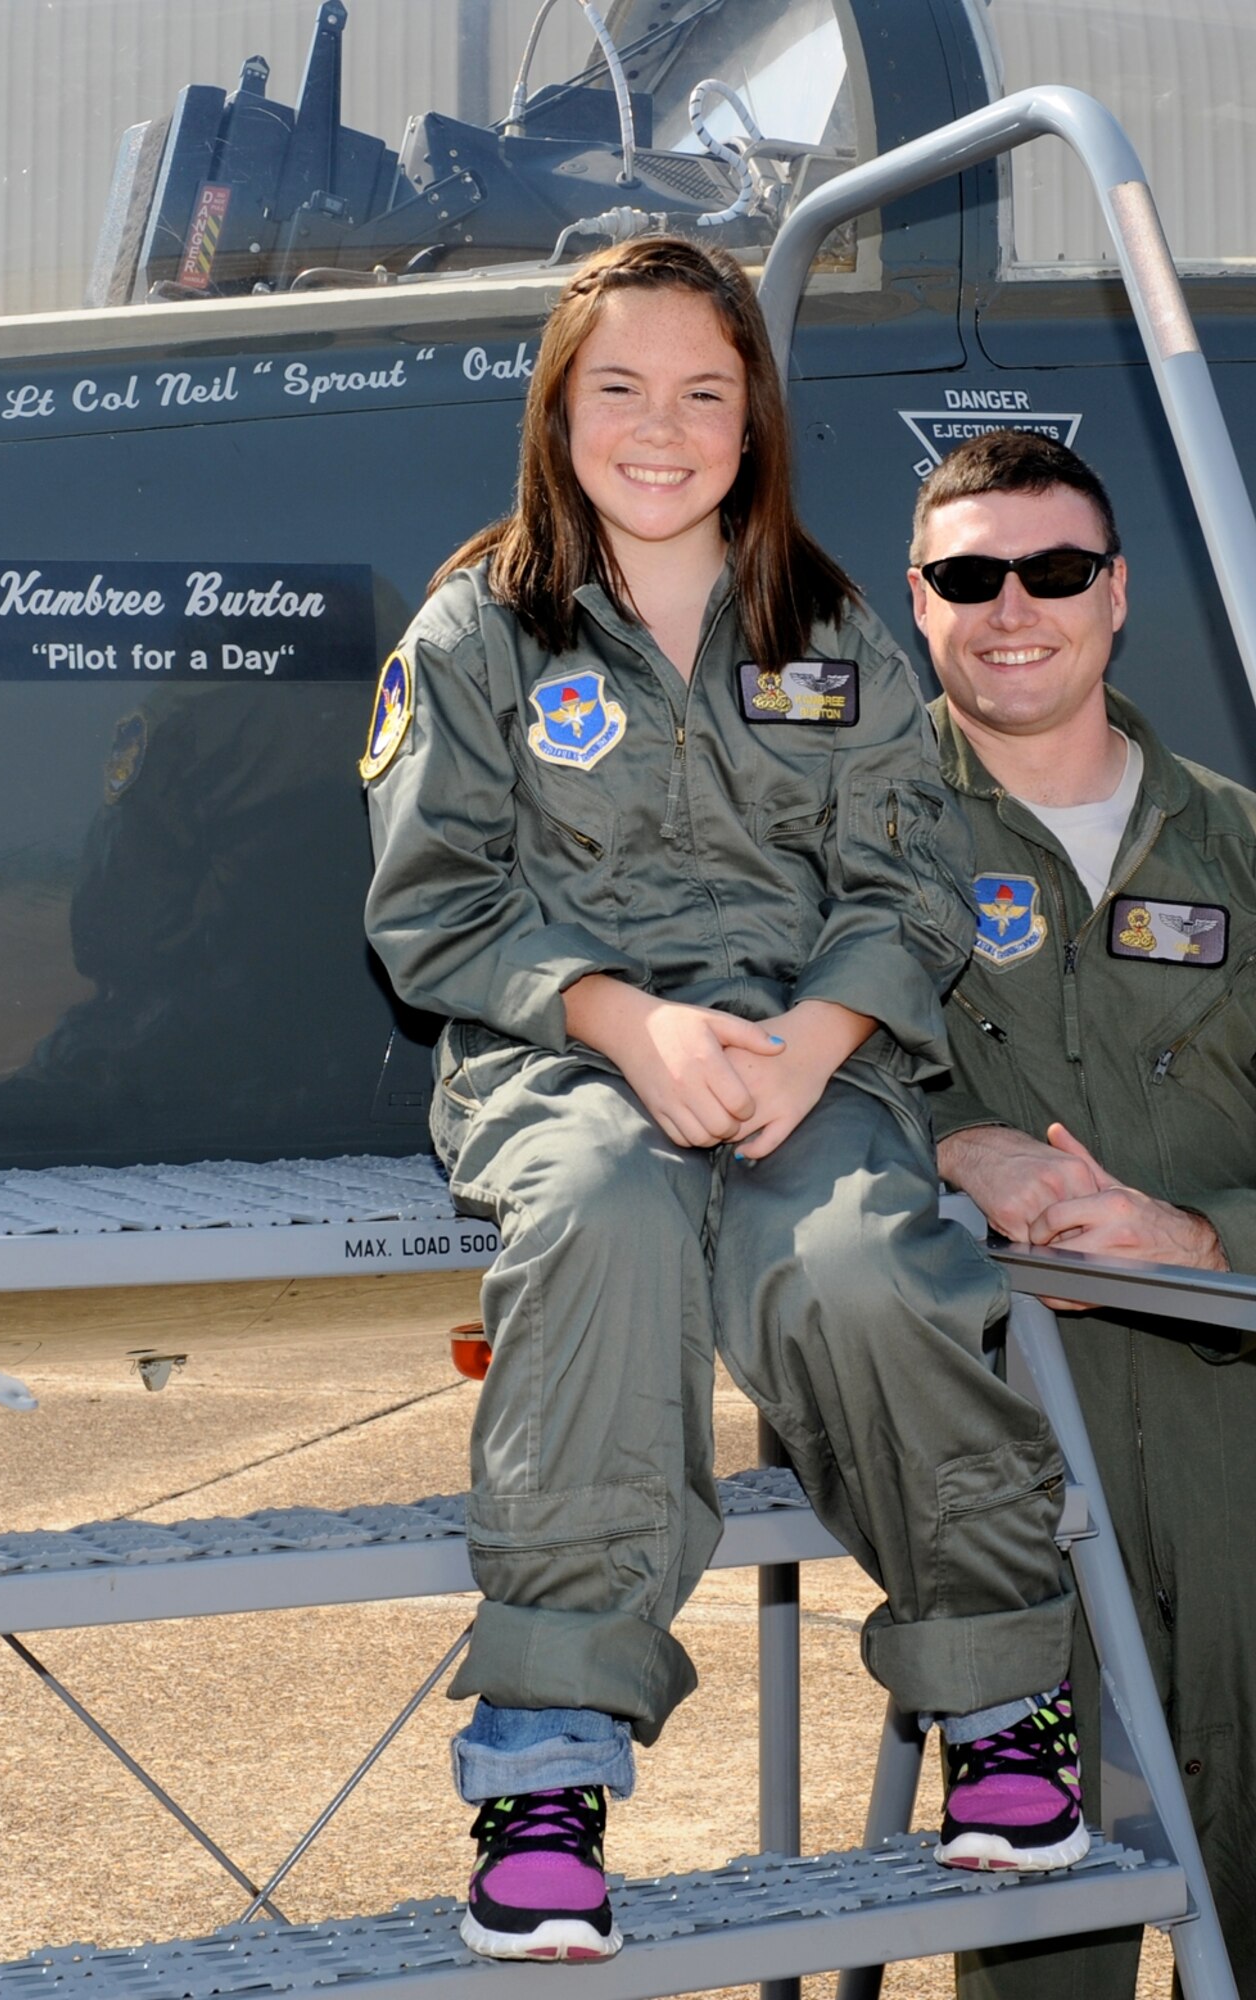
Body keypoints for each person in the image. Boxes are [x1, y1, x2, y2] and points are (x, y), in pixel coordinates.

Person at [361, 239, 1082, 1965]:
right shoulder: (477, 633)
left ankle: (994, 1700)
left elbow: (908, 883)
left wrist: (821, 1042)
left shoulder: (829, 630)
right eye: (619, 387)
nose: (661, 427)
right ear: (559, 410)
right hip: (566, 1058)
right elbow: (435, 906)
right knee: (603, 1218)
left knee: (861, 1261)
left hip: (803, 1056)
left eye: (704, 390)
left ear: (754, 418)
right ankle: (546, 1763)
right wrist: (627, 1028)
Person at [908, 428, 1256, 2000]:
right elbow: (772, 1101)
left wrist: (1195, 1245)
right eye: (968, 576)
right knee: (1041, 1928)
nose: (1012, 607)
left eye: (1052, 570)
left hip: (1250, 1440)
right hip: (993, 1447)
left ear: (1112, 595)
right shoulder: (854, 843)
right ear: (918, 603)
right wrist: (957, 1148)